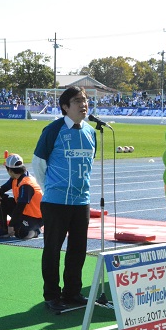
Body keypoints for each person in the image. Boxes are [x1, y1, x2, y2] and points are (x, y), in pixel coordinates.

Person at [32, 86, 97, 311]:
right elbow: (38, 164)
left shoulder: (91, 132)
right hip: (56, 202)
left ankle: (72, 292)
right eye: (78, 100)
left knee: (78, 250)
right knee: (52, 250)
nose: (83, 104)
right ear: (65, 106)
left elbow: (88, 165)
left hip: (81, 202)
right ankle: (52, 294)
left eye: (85, 100)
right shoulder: (53, 130)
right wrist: (51, 189)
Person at [0, 153, 43, 240]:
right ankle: (3, 229)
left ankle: (35, 230)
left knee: (20, 233)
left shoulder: (26, 184)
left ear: (10, 170)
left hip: (36, 217)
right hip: (25, 212)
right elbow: (3, 189)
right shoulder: (16, 178)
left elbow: (20, 207)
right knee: (0, 197)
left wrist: (11, 225)